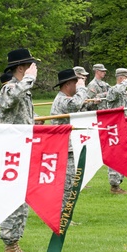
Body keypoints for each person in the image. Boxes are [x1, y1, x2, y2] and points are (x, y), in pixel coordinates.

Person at [0, 48, 40, 252]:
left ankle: (15, 244)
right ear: (21, 68)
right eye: (30, 66)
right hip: (12, 151)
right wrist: (29, 79)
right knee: (12, 197)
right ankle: (10, 248)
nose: (34, 70)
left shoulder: (23, 90)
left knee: (22, 199)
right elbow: (9, 99)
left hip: (23, 147)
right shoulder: (11, 88)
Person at [50, 67, 88, 214]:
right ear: (67, 85)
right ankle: (61, 216)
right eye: (75, 82)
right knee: (67, 184)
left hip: (67, 147)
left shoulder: (64, 99)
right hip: (63, 147)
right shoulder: (62, 100)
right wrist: (83, 89)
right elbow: (75, 105)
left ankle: (64, 215)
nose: (77, 85)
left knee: (70, 182)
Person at [105, 67, 127, 194]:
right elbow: (116, 91)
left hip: (122, 126)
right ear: (121, 78)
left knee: (122, 155)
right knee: (115, 155)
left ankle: (118, 183)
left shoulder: (120, 91)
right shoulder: (114, 89)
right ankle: (114, 185)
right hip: (114, 128)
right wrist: (126, 83)